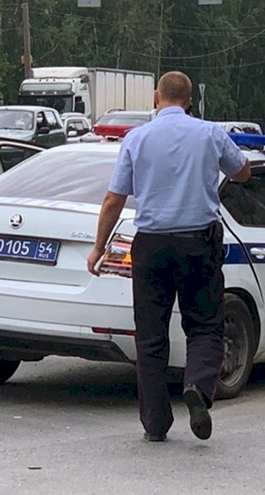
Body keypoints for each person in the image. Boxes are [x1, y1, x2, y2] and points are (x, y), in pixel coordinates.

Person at [87, 71, 251, 442]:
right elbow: (243, 172)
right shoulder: (210, 134)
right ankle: (196, 385)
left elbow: (115, 198)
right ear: (190, 101)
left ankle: (156, 423)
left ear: (156, 98)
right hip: (199, 243)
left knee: (150, 336)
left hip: (152, 246)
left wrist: (99, 248)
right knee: (206, 325)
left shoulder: (137, 138)